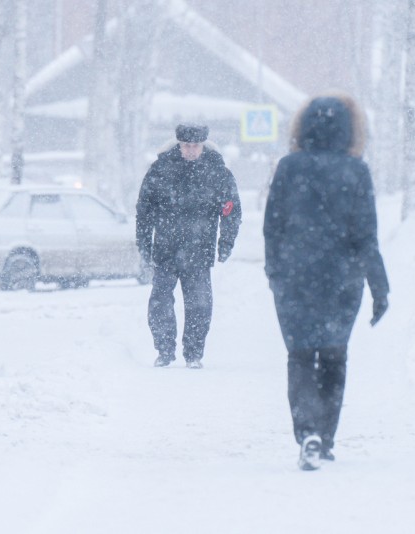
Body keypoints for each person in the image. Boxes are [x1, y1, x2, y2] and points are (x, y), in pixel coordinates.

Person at [263, 95, 389, 470]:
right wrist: (379, 287)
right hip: (342, 280)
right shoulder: (356, 171)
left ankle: (308, 434)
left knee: (300, 356)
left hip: (295, 278)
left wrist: (275, 272)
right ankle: (326, 436)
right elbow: (366, 236)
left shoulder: (288, 167)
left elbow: (272, 227)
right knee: (334, 356)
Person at [136, 124, 241, 369]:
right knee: (160, 302)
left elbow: (231, 210)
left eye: (195, 146)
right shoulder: (160, 169)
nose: (191, 150)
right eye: (186, 145)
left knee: (200, 305)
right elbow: (144, 211)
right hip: (165, 250)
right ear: (179, 144)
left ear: (203, 145)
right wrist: (144, 243)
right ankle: (164, 351)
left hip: (199, 251)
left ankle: (193, 354)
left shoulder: (217, 172)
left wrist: (226, 242)